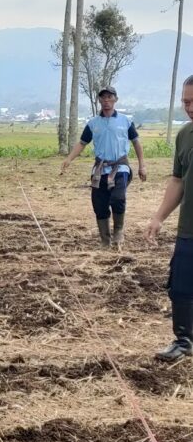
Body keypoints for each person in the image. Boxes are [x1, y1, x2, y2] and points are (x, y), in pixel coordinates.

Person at [61, 86, 147, 246]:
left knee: (118, 198)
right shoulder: (93, 123)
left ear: (115, 99)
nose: (106, 100)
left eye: (110, 97)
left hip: (120, 167)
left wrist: (142, 165)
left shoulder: (125, 121)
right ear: (99, 100)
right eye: (103, 98)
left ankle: (118, 233)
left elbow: (136, 142)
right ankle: (105, 241)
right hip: (100, 169)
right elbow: (82, 143)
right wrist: (69, 159)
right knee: (99, 205)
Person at [146, 75, 193, 362]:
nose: (190, 107)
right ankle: (184, 341)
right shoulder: (184, 135)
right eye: (186, 102)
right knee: (181, 286)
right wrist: (159, 217)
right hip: (189, 227)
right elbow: (178, 180)